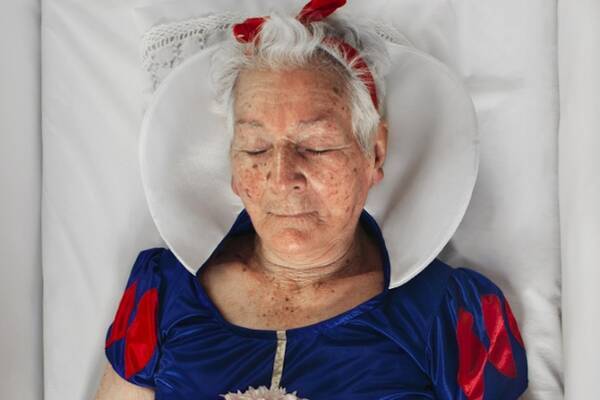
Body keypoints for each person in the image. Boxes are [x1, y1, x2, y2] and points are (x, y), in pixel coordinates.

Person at [95, 1, 528, 399]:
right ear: (232, 167)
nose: (283, 178)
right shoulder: (162, 294)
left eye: (317, 146)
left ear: (374, 153)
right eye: (256, 149)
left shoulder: (450, 315)